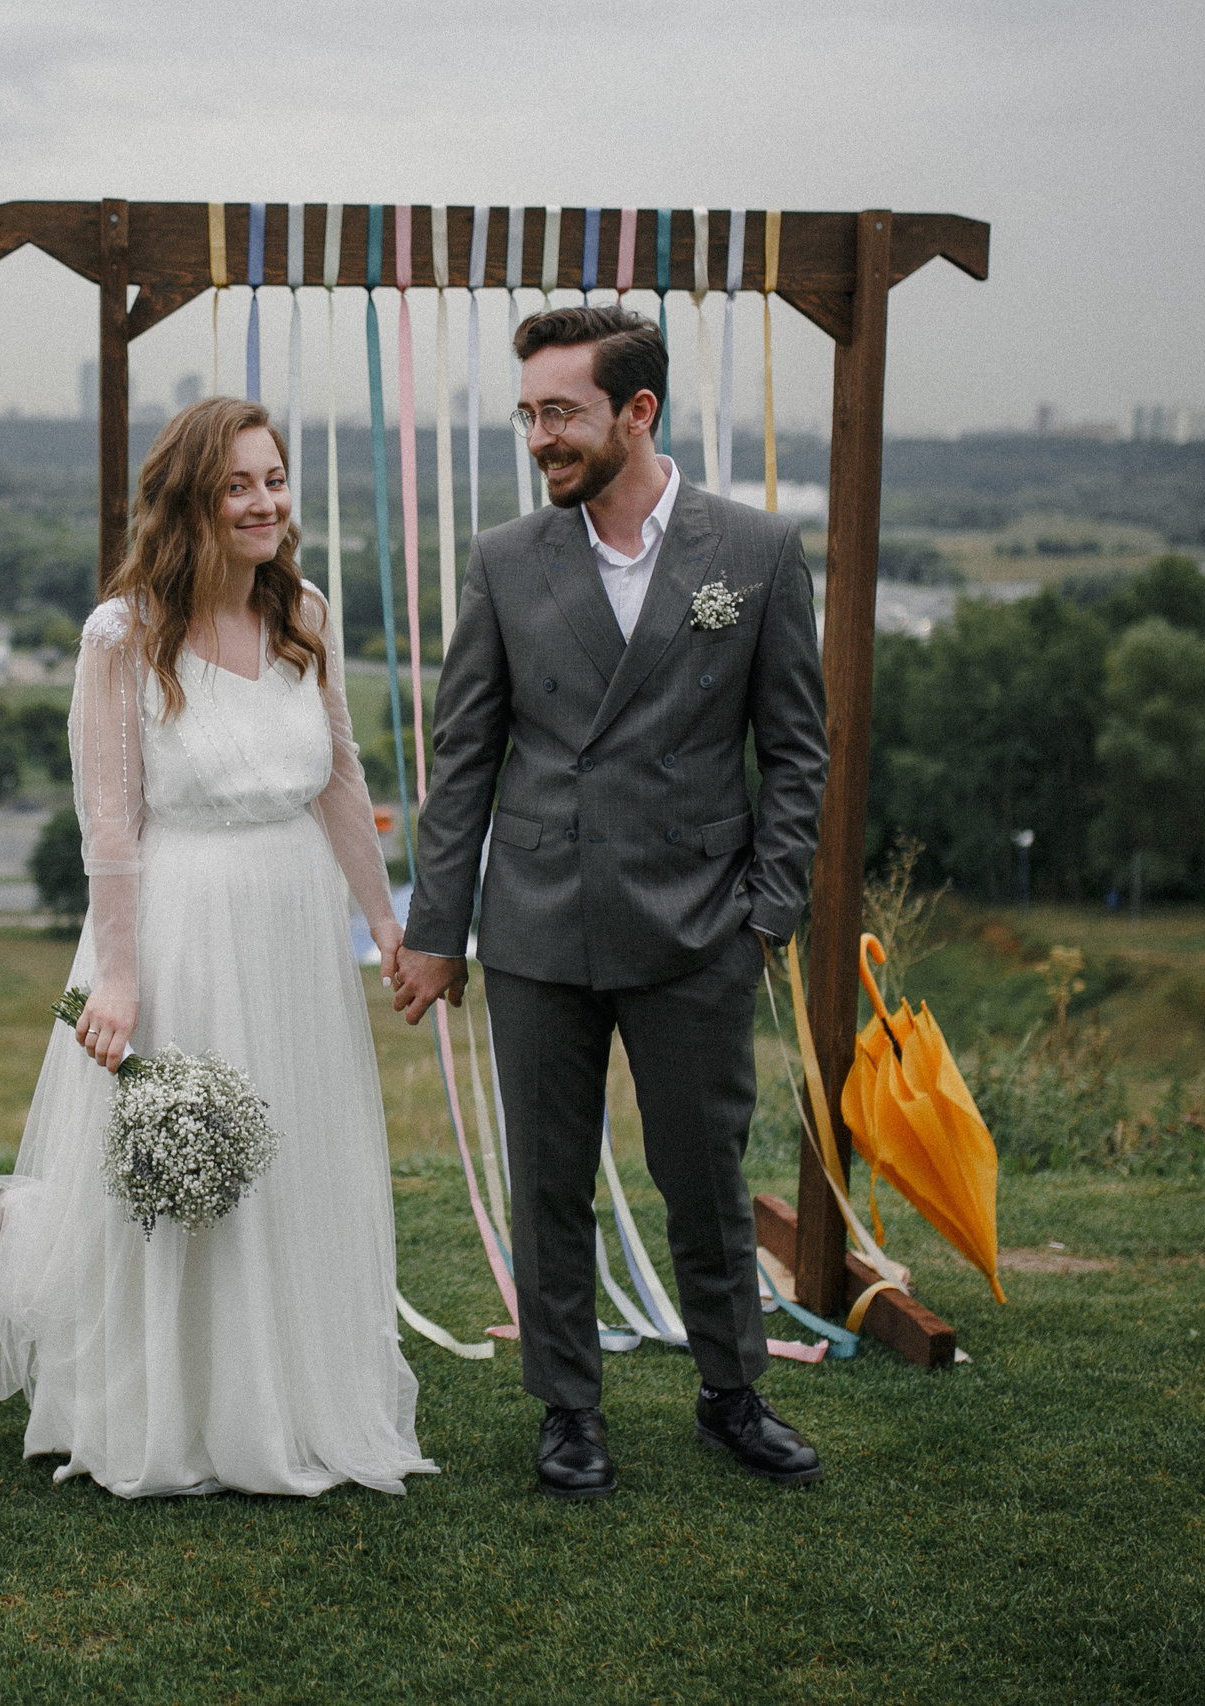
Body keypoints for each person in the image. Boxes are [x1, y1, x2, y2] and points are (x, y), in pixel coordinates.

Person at [389, 305, 831, 1501]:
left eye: (562, 412)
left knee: (705, 1172)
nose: (540, 436)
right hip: (536, 919)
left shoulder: (753, 553)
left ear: (637, 411)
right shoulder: (504, 560)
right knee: (547, 1181)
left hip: (700, 924)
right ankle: (567, 1408)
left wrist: (768, 911)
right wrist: (437, 930)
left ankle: (733, 1391)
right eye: (528, 413)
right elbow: (464, 758)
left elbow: (796, 752)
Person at [0, 397, 437, 1499]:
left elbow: (340, 779)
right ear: (190, 498)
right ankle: (168, 1411)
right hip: (179, 924)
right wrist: (120, 976)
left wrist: (385, 923)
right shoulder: (121, 635)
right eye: (238, 483)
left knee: (290, 1157)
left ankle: (283, 1396)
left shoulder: (305, 612)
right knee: (185, 1163)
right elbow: (110, 821)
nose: (265, 501)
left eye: (274, 478)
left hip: (292, 925)